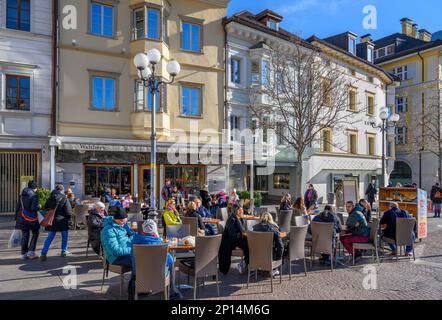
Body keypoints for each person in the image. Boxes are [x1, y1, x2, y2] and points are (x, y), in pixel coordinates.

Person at [40, 184, 73, 261]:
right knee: (64, 236)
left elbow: (45, 208)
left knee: (50, 237)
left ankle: (43, 253)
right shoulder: (64, 198)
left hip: (51, 221)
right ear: (62, 190)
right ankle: (64, 251)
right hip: (62, 221)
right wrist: (69, 219)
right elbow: (68, 212)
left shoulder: (50, 198)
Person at [218, 205, 249, 275]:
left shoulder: (240, 218)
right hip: (229, 242)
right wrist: (243, 235)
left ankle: (246, 263)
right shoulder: (232, 220)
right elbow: (232, 235)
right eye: (239, 210)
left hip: (237, 239)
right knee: (248, 246)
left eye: (242, 209)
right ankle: (244, 263)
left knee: (251, 245)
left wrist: (244, 234)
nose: (241, 211)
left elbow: (242, 231)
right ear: (235, 211)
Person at [15, 181, 41, 260]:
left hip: (22, 218)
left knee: (25, 235)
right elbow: (33, 208)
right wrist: (39, 206)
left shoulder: (22, 194)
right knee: (35, 233)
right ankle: (31, 252)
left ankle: (24, 254)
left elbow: (18, 206)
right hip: (31, 219)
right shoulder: (34, 195)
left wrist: (16, 218)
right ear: (35, 187)